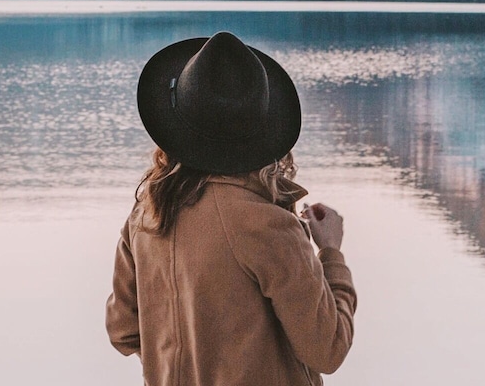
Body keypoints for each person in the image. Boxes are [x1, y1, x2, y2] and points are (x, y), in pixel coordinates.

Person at [107, 32, 356, 386]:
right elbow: (327, 348)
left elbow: (123, 329)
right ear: (263, 128)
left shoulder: (147, 214)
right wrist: (331, 252)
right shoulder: (267, 226)